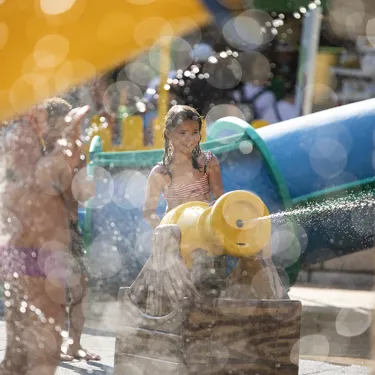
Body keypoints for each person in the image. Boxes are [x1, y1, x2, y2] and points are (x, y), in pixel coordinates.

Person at [0, 103, 89, 375]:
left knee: (21, 345)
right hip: (34, 252)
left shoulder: (25, 142)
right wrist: (70, 137)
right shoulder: (29, 145)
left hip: (28, 250)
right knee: (40, 348)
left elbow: (71, 195)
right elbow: (43, 181)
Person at [41, 97, 101, 362]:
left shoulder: (79, 153)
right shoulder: (40, 154)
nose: (57, 133)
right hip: (45, 230)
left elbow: (84, 193)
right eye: (51, 127)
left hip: (71, 228)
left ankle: (74, 344)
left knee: (80, 288)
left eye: (63, 127)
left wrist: (85, 181)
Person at [143, 105, 224, 228]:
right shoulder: (161, 173)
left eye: (195, 132)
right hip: (176, 230)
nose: (190, 138)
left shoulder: (208, 163)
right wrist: (162, 228)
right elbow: (149, 211)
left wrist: (215, 207)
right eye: (183, 132)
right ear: (168, 134)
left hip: (203, 227)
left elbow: (220, 199)